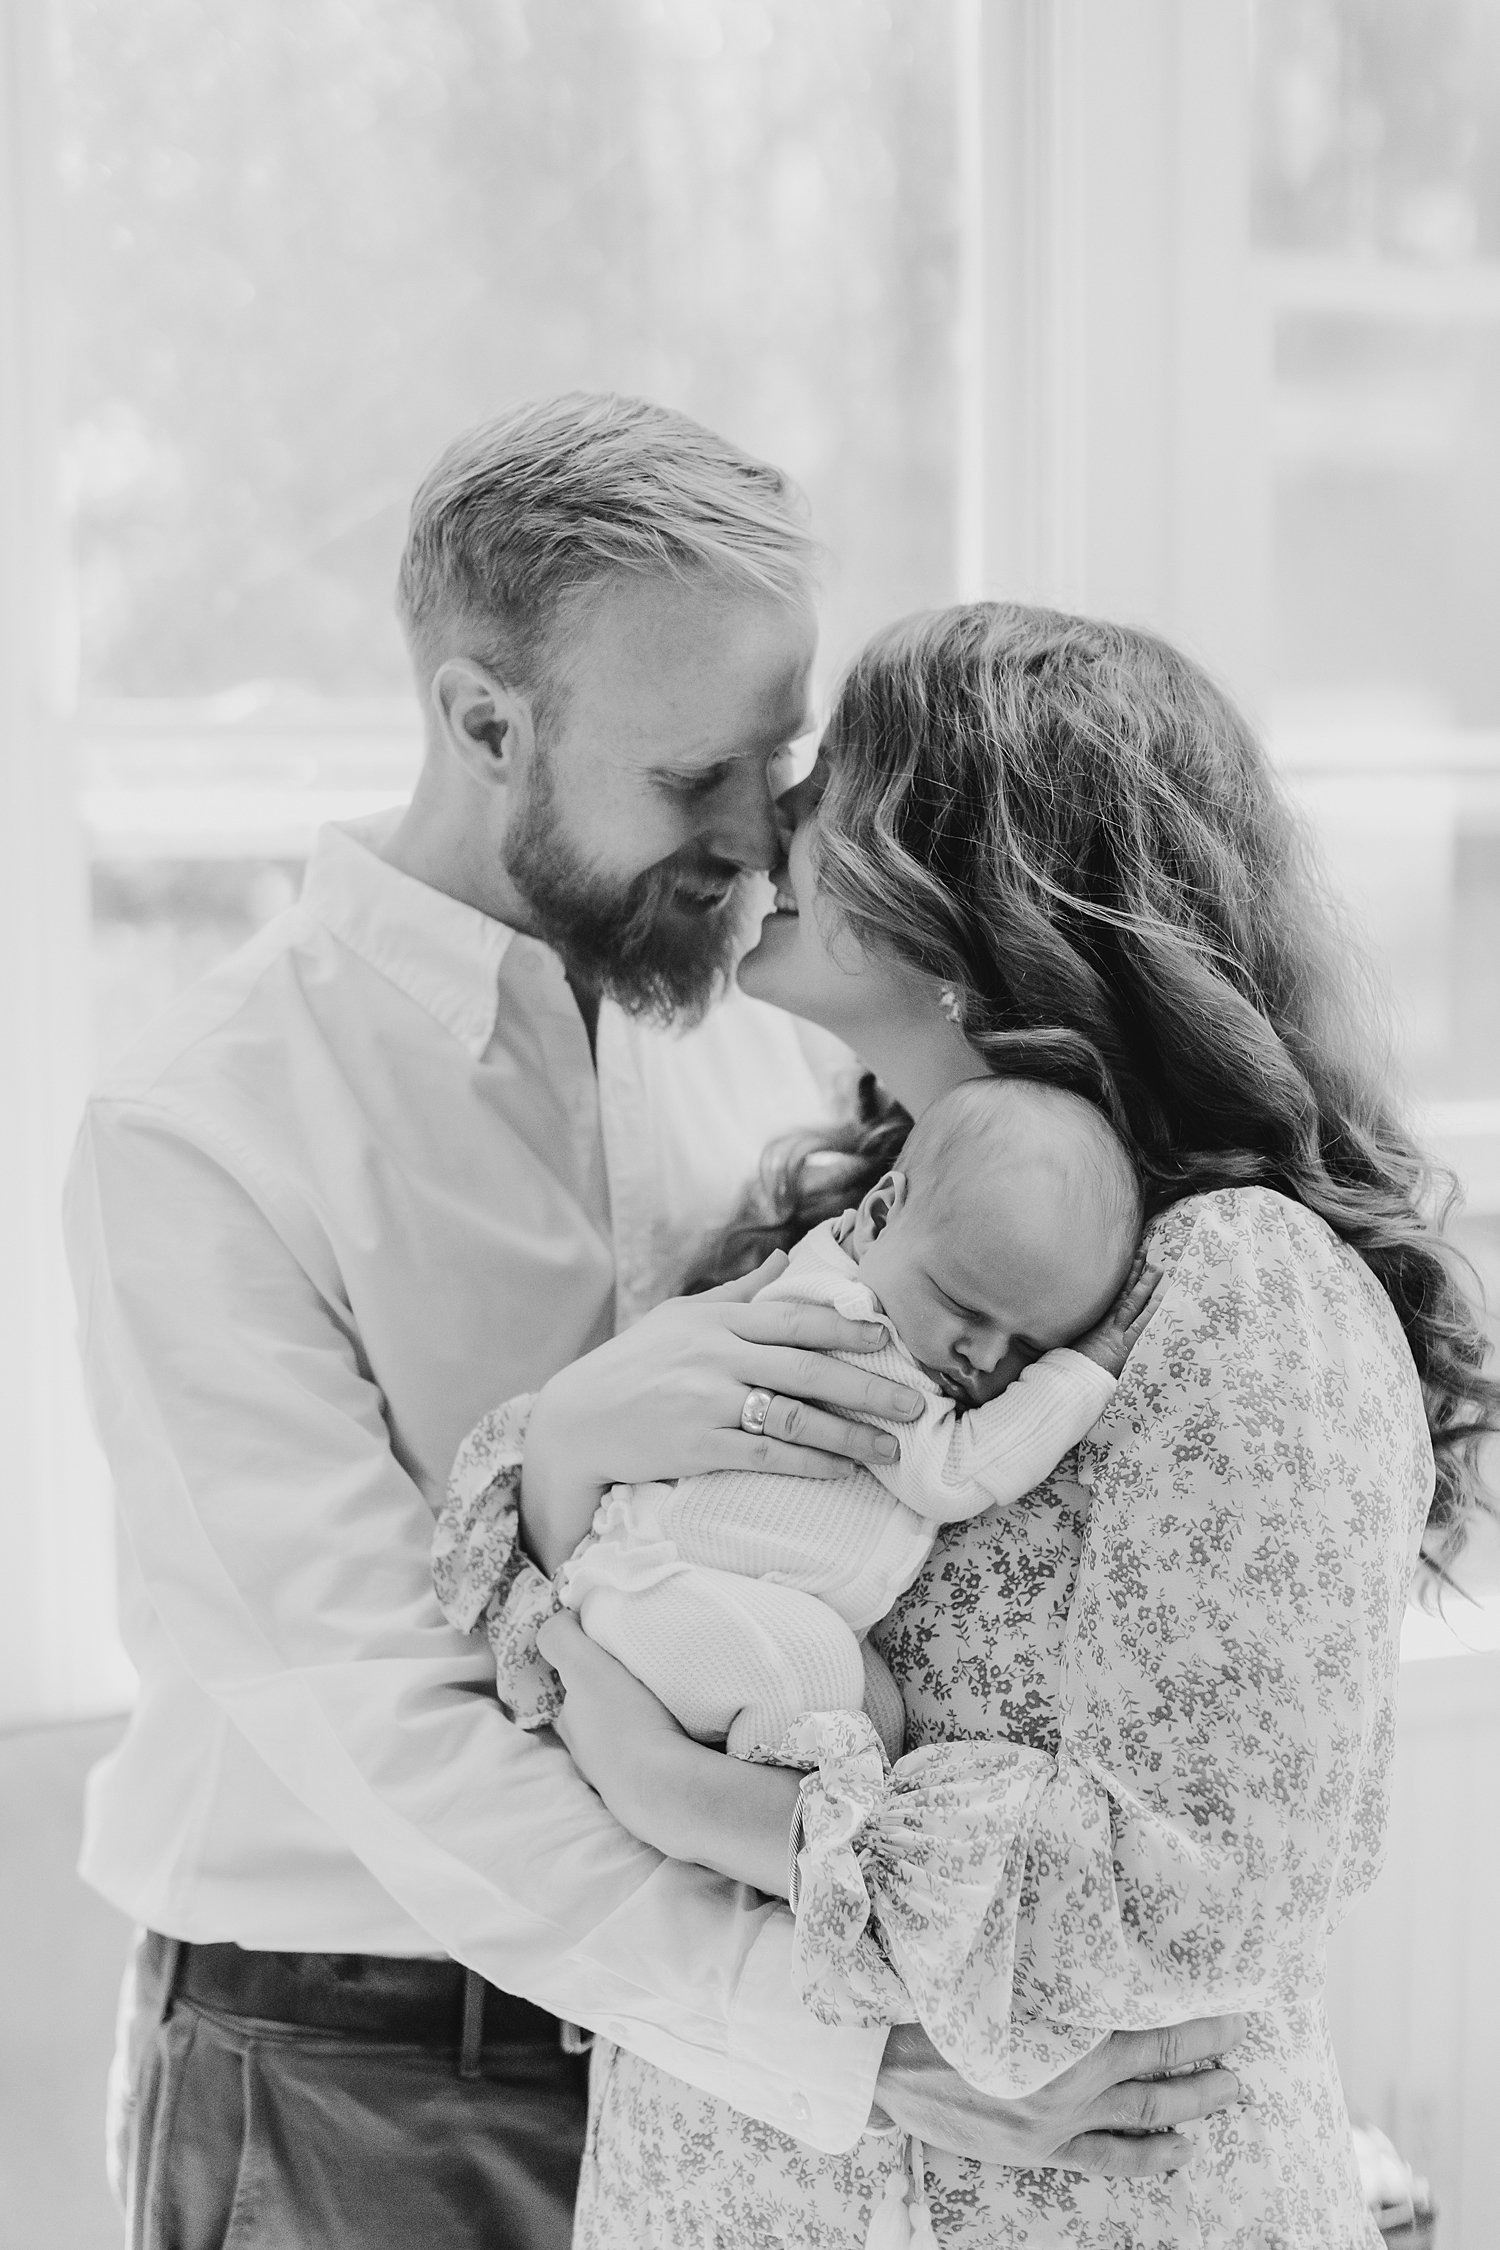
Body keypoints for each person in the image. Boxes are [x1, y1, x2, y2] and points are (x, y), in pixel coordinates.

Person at [63, 402, 1241, 2250]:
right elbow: (389, 1721)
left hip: (717, 2077)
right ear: (481, 721)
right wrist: (848, 2033)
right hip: (362, 2078)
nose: (763, 834)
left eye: (781, 760)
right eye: (698, 773)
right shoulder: (205, 1135)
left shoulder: (772, 1030)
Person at [453, 602, 1499, 2246]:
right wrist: (572, 1447)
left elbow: (1200, 1890)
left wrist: (686, 1796)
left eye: (834, 789)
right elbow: (548, 1636)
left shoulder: (1233, 1289)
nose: (765, 826)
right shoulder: (841, 1227)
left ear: (966, 905)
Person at [437, 1077, 1156, 1766]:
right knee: (809, 1672)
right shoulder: (852, 1327)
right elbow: (951, 1476)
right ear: (877, 1219)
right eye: (965, 1307)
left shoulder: (894, 1279)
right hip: (664, 1589)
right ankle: (740, 1807)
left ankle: (777, 1810)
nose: (986, 1358)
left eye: (1032, 1347)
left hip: (718, 1600)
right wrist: (1080, 1370)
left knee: (875, 1717)